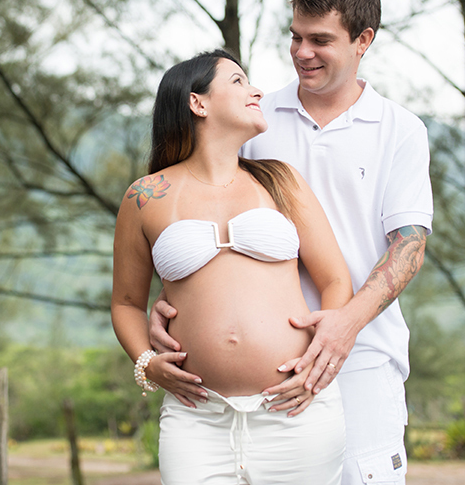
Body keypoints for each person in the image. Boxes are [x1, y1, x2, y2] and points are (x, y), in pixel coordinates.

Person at [150, 0, 433, 485]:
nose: (302, 52)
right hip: (268, 371)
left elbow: (408, 246)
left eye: (320, 39)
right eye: (296, 37)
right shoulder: (255, 119)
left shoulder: (400, 130)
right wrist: (169, 311)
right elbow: (191, 208)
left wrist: (344, 326)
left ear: (362, 40)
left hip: (365, 354)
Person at [112, 48, 354, 484]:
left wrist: (322, 356)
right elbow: (126, 303)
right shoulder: (144, 196)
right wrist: (146, 362)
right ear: (197, 102)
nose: (256, 90)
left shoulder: (280, 181)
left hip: (295, 413)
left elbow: (336, 280)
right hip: (197, 420)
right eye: (239, 81)